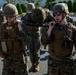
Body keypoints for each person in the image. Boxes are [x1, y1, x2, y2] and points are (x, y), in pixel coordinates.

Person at [41, 3, 76, 75]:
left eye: (58, 14)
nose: (56, 17)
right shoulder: (50, 27)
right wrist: (50, 29)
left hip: (67, 64)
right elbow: (44, 42)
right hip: (53, 63)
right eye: (54, 14)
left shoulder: (72, 29)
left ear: (65, 14)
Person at [0, 3, 28, 75]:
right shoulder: (2, 27)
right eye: (7, 17)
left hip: (19, 60)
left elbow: (28, 41)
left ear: (16, 16)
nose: (9, 19)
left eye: (11, 17)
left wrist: (20, 30)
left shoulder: (21, 25)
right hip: (7, 60)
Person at [21, 3, 40, 72]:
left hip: (36, 36)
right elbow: (22, 25)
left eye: (31, 9)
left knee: (36, 51)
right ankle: (33, 65)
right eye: (29, 9)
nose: (30, 10)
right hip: (29, 36)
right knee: (31, 52)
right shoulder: (24, 17)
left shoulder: (37, 16)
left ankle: (37, 65)